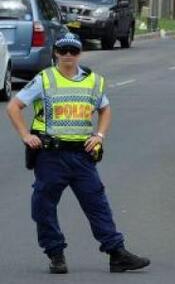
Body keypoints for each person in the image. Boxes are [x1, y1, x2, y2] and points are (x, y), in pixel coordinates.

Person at [6, 33, 150, 275]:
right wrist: (25, 136)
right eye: (63, 51)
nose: (68, 56)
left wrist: (100, 136)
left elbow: (105, 110)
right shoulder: (45, 79)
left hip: (82, 155)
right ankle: (55, 254)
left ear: (80, 52)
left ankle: (117, 253)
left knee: (97, 204)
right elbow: (14, 107)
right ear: (56, 53)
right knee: (43, 205)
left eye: (73, 50)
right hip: (50, 155)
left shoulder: (92, 81)